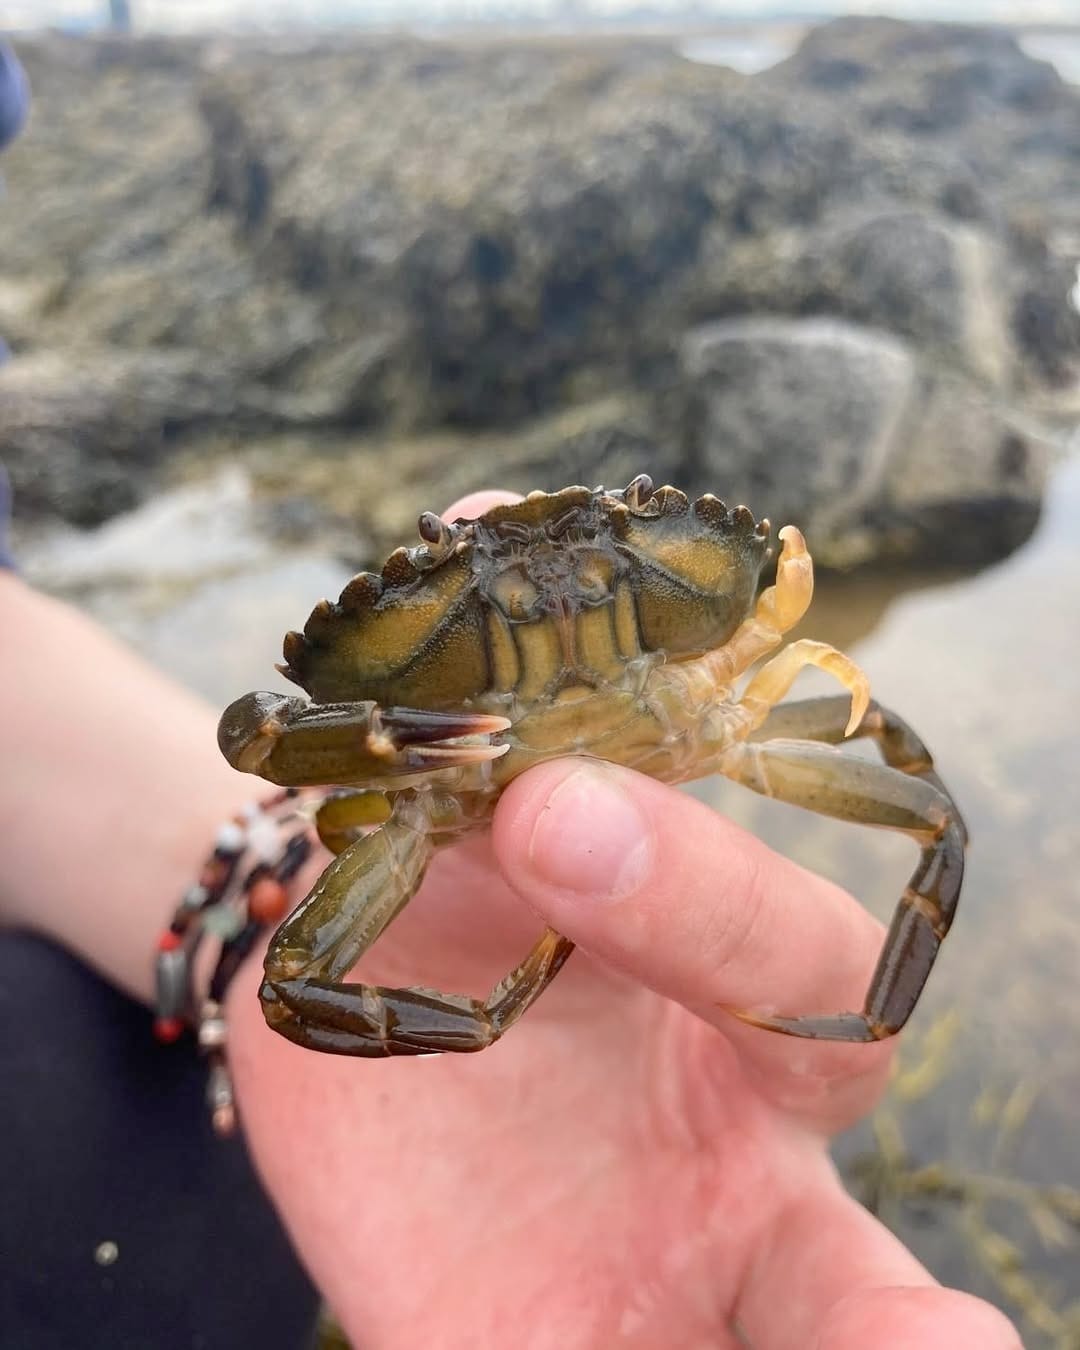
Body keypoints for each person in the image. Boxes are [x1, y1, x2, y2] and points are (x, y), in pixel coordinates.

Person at [0, 480, 1023, 1349]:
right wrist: (475, 1020)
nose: (550, 590)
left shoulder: (736, 680)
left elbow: (924, 808)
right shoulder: (395, 799)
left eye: (620, 536)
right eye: (464, 576)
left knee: (930, 820)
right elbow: (263, 739)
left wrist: (242, 889)